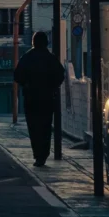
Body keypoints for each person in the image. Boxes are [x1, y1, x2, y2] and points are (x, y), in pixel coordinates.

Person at [13, 31, 66, 167]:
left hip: (31, 98)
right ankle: (44, 154)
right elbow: (61, 74)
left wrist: (27, 83)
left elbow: (17, 76)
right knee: (46, 127)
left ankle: (38, 155)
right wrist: (52, 86)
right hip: (48, 98)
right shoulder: (51, 58)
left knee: (34, 127)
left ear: (33, 42)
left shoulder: (27, 57)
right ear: (46, 43)